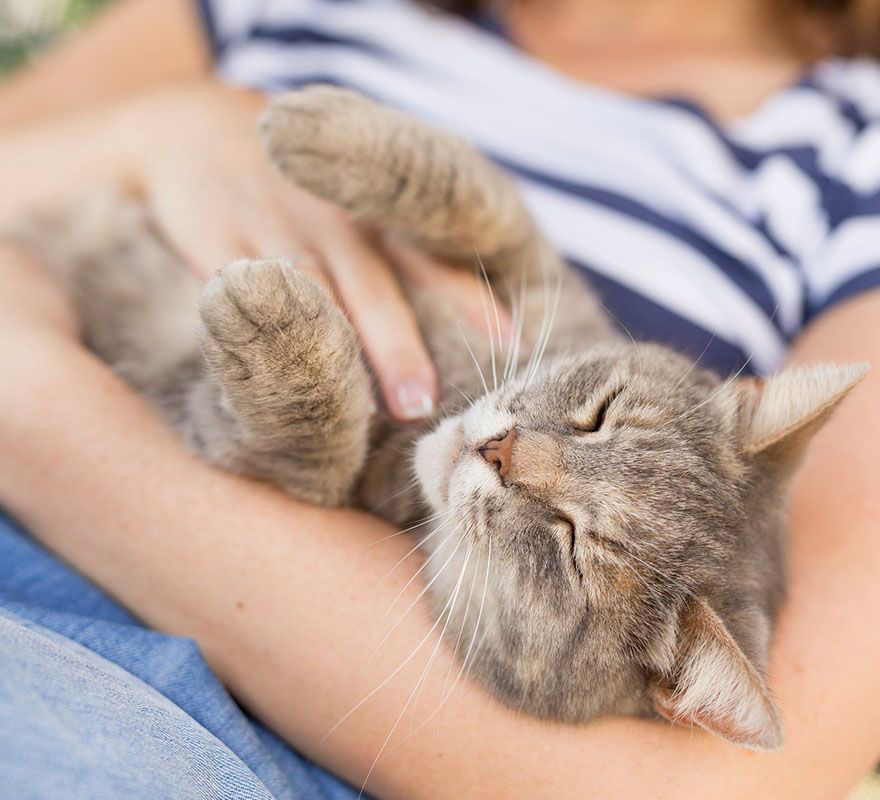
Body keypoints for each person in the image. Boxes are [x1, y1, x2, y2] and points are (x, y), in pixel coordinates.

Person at [1, 0, 880, 796]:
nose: (513, 454)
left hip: (187, 722)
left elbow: (724, 790)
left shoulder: (856, 148)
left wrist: (35, 400)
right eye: (599, 416)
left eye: (571, 544)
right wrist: (160, 133)